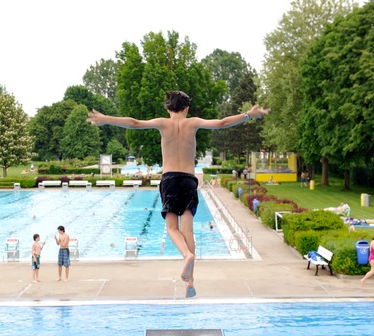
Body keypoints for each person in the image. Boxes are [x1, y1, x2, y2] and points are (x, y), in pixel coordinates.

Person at [88, 90, 270, 298]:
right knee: (188, 230)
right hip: (189, 180)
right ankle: (190, 282)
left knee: (171, 227)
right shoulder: (192, 123)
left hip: (170, 180)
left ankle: (186, 255)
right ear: (187, 108)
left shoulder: (163, 123)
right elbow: (221, 123)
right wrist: (248, 114)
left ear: (168, 108)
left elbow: (134, 123)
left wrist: (106, 119)